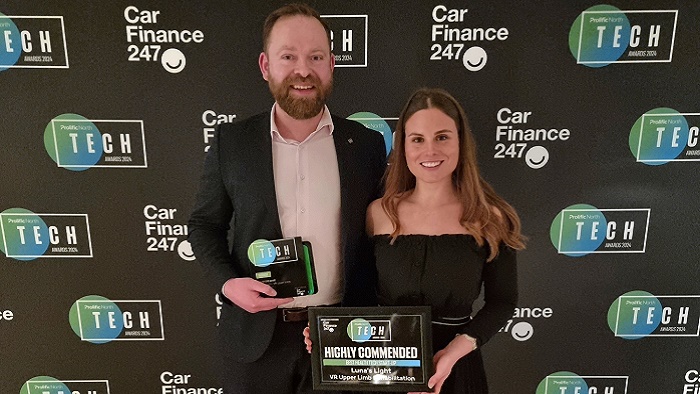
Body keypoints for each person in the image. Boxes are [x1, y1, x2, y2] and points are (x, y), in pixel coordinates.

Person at [188, 3, 386, 394]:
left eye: (315, 57)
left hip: (343, 338)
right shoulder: (234, 142)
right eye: (288, 57)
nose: (303, 70)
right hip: (255, 342)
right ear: (266, 66)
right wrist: (228, 285)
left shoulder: (366, 145)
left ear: (331, 63)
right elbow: (204, 226)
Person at [305, 88, 524, 394]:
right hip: (385, 372)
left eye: (442, 137)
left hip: (456, 373)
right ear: (403, 145)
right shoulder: (379, 213)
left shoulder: (490, 218)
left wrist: (451, 355)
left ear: (461, 142)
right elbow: (359, 294)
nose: (429, 150)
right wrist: (329, 333)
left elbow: (502, 302)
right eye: (418, 139)